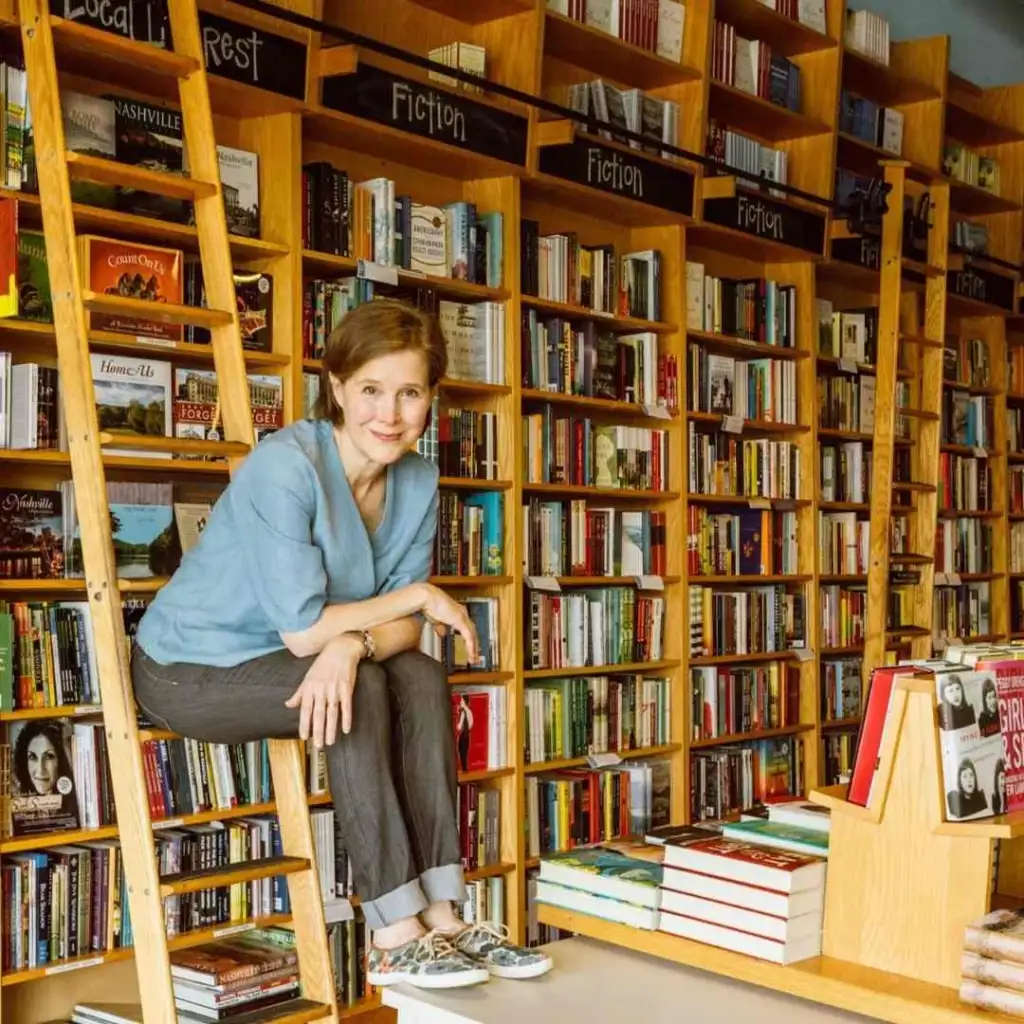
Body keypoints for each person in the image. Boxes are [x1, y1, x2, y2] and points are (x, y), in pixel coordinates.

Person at [131, 299, 552, 989]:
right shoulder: (286, 466)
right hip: (191, 670)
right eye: (371, 391)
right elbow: (308, 626)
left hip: (300, 656)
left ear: (431, 400)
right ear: (336, 389)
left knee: (415, 673)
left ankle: (445, 913)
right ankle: (392, 929)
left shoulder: (416, 479)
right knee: (364, 683)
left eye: (410, 392)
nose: (390, 414)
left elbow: (403, 636)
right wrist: (402, 605)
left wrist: (352, 642)